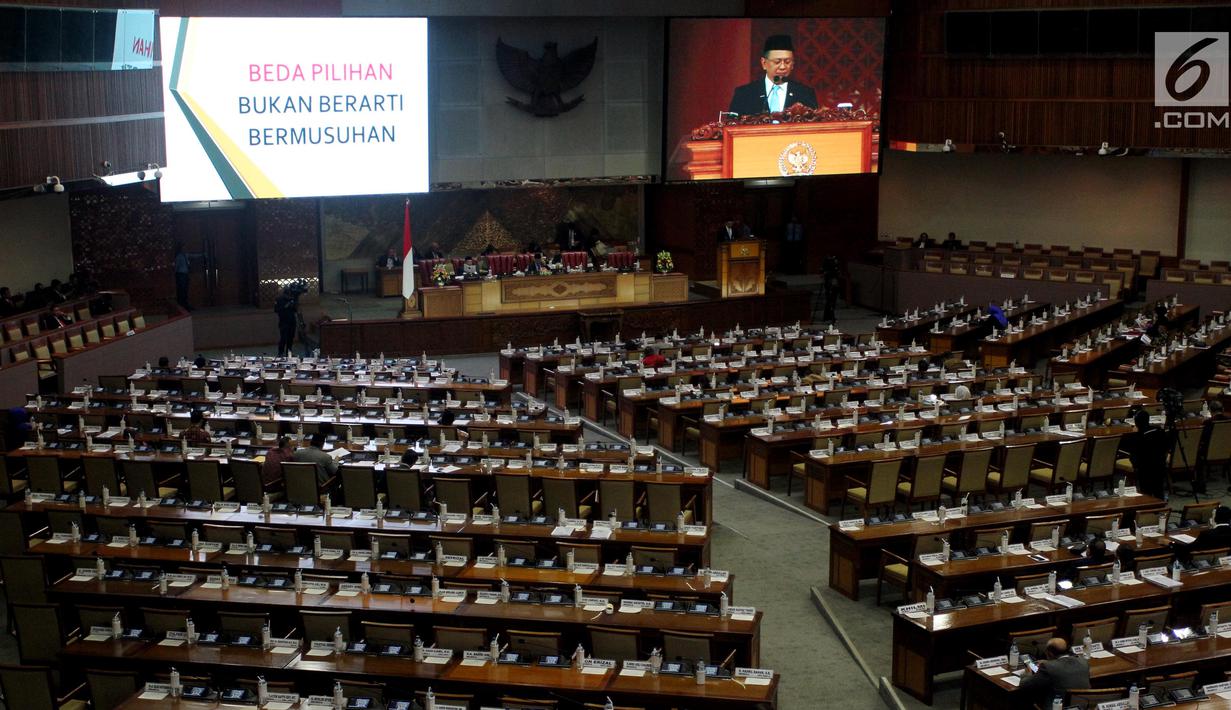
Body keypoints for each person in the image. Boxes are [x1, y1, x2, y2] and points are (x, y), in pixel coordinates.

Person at [728, 35, 818, 116]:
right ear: (764, 63)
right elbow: (731, 127)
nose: (782, 67)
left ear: (793, 64)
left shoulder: (805, 94)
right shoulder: (745, 94)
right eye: (777, 62)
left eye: (787, 62)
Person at [1019, 638, 1091, 706]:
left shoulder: (1048, 667)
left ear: (1050, 654)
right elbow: (1064, 666)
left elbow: (1024, 685)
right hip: (1082, 706)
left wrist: (1028, 674)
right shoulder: (1083, 662)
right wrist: (1051, 662)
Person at [273, 287, 299, 358]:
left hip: (292, 321)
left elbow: (295, 310)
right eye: (287, 294)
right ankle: (280, 352)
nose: (288, 296)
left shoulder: (292, 299)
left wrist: (294, 304)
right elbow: (276, 310)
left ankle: (289, 353)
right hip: (283, 321)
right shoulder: (279, 299)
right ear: (284, 293)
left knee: (290, 338)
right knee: (283, 338)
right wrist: (285, 306)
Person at [173, 244, 196, 311]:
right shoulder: (179, 256)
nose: (185, 249)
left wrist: (202, 255)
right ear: (181, 249)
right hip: (181, 274)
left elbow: (193, 256)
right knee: (182, 291)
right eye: (184, 248)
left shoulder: (185, 255)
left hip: (185, 274)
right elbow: (176, 266)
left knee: (185, 290)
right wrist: (175, 275)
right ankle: (182, 306)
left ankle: (185, 305)